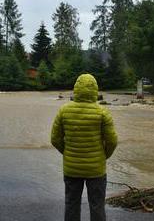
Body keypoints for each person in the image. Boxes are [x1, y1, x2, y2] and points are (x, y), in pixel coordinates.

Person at [51, 74, 118, 221]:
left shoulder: (64, 111)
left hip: (71, 168)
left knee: (71, 204)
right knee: (97, 205)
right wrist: (103, 155)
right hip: (96, 169)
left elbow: (55, 139)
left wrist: (67, 152)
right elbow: (112, 141)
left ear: (76, 89)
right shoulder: (102, 113)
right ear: (95, 90)